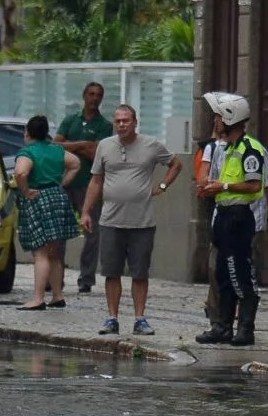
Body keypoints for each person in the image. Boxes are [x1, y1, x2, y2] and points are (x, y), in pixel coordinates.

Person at [80, 102, 180, 337]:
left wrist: (163, 185)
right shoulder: (105, 146)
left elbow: (176, 163)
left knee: (140, 273)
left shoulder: (151, 145)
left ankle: (140, 318)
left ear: (135, 122)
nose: (122, 124)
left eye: (126, 120)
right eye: (118, 121)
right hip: (110, 220)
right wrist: (85, 211)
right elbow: (96, 181)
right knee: (111, 272)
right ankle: (112, 318)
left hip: (142, 222)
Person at [192, 91, 264, 346]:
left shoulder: (249, 149)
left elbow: (253, 185)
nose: (216, 121)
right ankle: (222, 327)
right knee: (222, 273)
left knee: (240, 273)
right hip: (223, 217)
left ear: (230, 118)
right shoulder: (229, 148)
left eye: (219, 116)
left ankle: (246, 328)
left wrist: (222, 187)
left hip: (238, 218)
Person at [10, 114, 81, 312]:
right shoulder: (56, 150)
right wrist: (61, 183)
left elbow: (20, 173)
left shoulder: (28, 152)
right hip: (57, 197)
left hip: (37, 197)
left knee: (40, 253)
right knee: (55, 253)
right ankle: (57, 296)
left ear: (28, 133)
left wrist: (25, 190)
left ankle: (38, 298)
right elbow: (75, 163)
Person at [58, 82, 114, 293]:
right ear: (84, 95)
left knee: (92, 232)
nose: (94, 98)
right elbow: (56, 145)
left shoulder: (105, 125)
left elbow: (97, 153)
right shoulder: (70, 120)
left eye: (98, 95)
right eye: (91, 94)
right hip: (66, 183)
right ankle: (56, 277)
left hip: (89, 185)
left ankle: (87, 278)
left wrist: (72, 145)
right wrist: (84, 144)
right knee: (60, 231)